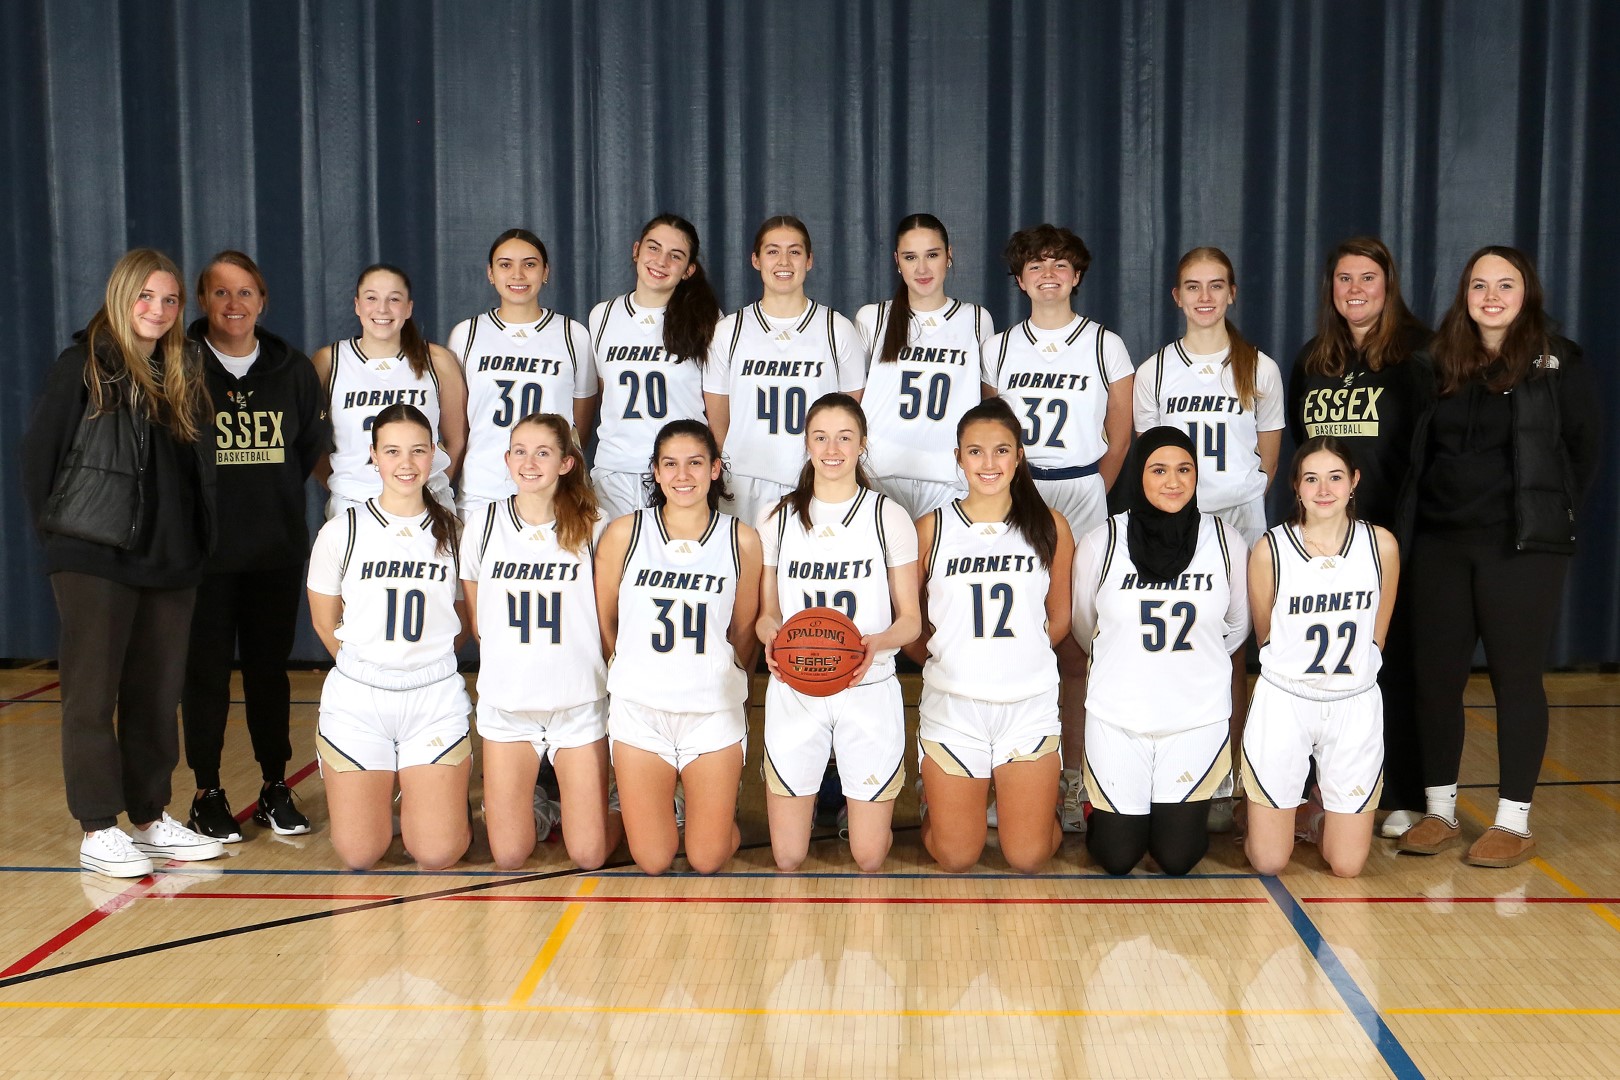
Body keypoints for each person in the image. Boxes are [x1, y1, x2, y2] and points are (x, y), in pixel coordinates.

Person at [22, 248, 226, 877]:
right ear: (120, 295)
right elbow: (39, 459)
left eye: (170, 300)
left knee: (156, 695)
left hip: (171, 557)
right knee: (91, 695)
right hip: (95, 555)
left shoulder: (183, 369)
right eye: (146, 296)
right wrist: (65, 541)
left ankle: (149, 816)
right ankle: (97, 827)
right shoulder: (83, 365)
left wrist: (197, 539)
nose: (158, 310)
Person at [1397, 246, 1600, 868]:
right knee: (1435, 680)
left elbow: (1583, 451)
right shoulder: (1434, 361)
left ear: (1526, 292)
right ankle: (1439, 811)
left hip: (1521, 548)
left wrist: (1549, 516)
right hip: (1439, 545)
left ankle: (1514, 820)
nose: (1491, 297)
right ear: (1465, 294)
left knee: (1516, 680)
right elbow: (1413, 454)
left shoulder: (1558, 362)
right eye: (1479, 285)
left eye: (1505, 285)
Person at [981, 224, 1134, 834]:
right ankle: (1002, 776)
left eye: (1060, 264)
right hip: (1018, 490)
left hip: (1081, 487)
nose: (1049, 274)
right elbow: (991, 430)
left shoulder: (1105, 344)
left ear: (1077, 275)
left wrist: (1091, 485)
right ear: (1020, 280)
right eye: (1036, 265)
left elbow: (1120, 434)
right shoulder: (999, 347)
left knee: (1077, 643)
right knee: (1012, 638)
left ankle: (1075, 778)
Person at [181, 251, 329, 842]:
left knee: (270, 673)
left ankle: (274, 786)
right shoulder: (179, 364)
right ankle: (207, 792)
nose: (233, 304)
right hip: (204, 555)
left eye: (245, 292)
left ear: (262, 301)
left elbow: (306, 448)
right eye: (221, 292)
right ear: (202, 301)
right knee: (206, 676)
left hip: (274, 550)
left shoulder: (291, 369)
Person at [1135, 246, 1284, 831]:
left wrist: (1237, 496)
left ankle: (1231, 775)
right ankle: (1173, 767)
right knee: (1179, 643)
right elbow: (1152, 456)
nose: (1205, 297)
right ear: (1177, 297)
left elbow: (1267, 457)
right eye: (1193, 287)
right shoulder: (1155, 370)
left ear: (1232, 293)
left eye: (1216, 285)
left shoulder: (1259, 368)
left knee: (1233, 648)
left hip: (1237, 516)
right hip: (1178, 516)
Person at [1287, 237, 1432, 838]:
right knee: (1318, 668)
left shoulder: (1419, 356)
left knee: (1391, 664)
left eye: (1367, 277)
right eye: (1344, 278)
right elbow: (1302, 447)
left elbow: (1429, 452)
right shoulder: (1312, 360)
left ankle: (1402, 793)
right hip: (1324, 542)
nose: (1355, 289)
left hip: (1392, 538)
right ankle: (1321, 792)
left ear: (1387, 284)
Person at [1071, 427, 1249, 876]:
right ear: (1139, 474)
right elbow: (1085, 626)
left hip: (1195, 717)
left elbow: (1236, 626)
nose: (1173, 481)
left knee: (1176, 858)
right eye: (1159, 470)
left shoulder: (1225, 541)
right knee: (1116, 857)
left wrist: (1189, 665)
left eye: (1184, 469)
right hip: (1118, 716)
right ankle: (1107, 808)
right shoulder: (1102, 541)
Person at [905, 397, 1072, 874]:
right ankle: (937, 799)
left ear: (1019, 456)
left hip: (1028, 705)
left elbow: (1059, 618)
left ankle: (1037, 800)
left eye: (1001, 450)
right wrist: (947, 658)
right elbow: (912, 623)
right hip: (954, 706)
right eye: (975, 451)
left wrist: (1017, 659)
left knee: (1028, 857)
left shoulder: (1050, 526)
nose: (988, 462)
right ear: (958, 457)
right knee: (957, 857)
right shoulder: (931, 529)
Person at [755, 394, 920, 873]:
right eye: (821, 437)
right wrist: (771, 638)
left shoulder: (887, 515)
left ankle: (861, 810)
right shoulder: (777, 517)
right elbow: (767, 614)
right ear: (806, 443)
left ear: (862, 443)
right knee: (788, 858)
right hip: (797, 685)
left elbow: (910, 620)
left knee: (868, 858)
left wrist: (877, 643)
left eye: (844, 438)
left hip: (866, 683)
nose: (832, 449)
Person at [306, 404, 471, 871]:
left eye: (418, 451)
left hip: (433, 697)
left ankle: (431, 800)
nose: (406, 463)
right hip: (359, 699)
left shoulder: (455, 532)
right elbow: (325, 622)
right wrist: (373, 667)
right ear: (373, 456)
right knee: (360, 853)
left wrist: (419, 663)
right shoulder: (342, 531)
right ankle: (395, 794)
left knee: (437, 854)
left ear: (434, 454)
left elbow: (462, 621)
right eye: (393, 451)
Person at [594, 420, 762, 875]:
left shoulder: (741, 540)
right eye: (670, 464)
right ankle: (650, 805)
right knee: (653, 860)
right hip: (640, 712)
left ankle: (709, 814)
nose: (682, 475)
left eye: (695, 463)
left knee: (707, 858)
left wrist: (721, 679)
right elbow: (607, 620)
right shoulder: (625, 534)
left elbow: (742, 631)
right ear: (655, 470)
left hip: (711, 713)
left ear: (715, 469)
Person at [462, 413, 620, 871]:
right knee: (510, 855)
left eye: (543, 453)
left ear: (566, 463)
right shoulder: (484, 522)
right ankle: (542, 807)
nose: (529, 463)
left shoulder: (595, 525)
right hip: (509, 705)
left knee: (589, 854)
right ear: (506, 458)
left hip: (578, 703)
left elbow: (608, 618)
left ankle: (622, 802)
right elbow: (479, 621)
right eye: (520, 452)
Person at [1243, 438, 1399, 878]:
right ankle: (1265, 816)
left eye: (1335, 477)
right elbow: (1265, 636)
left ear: (1354, 481)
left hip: (1352, 703)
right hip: (1286, 701)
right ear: (1296, 486)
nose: (1324, 489)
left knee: (1347, 866)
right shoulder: (1271, 549)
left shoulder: (1381, 546)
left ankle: (1314, 813)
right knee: (1270, 862)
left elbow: (1377, 637)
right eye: (1311, 479)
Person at [703, 215, 867, 527]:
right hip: (743, 481)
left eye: (794, 251)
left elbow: (849, 414)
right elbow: (718, 418)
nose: (784, 262)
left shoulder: (837, 329)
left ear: (809, 260)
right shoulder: (729, 331)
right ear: (756, 260)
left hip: (813, 478)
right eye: (772, 251)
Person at [855, 213, 996, 518]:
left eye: (932, 255)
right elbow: (850, 400)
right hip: (880, 474)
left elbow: (990, 405)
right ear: (897, 261)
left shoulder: (976, 319)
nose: (922, 268)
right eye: (910, 257)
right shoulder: (872, 318)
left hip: (950, 479)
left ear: (949, 255)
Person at [450, 229, 598, 519]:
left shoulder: (573, 334)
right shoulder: (466, 334)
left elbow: (578, 425)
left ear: (546, 272)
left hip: (551, 492)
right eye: (505, 264)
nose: (517, 274)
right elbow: (459, 425)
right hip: (482, 489)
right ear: (490, 273)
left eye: (529, 264)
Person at [588, 214, 722, 521]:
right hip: (615, 471)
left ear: (688, 270)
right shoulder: (603, 316)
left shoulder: (709, 321)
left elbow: (718, 409)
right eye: (653, 248)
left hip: (680, 473)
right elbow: (606, 395)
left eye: (675, 256)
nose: (661, 261)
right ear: (636, 250)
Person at [313, 265, 467, 518]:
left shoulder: (437, 360)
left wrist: (429, 486)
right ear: (357, 305)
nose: (382, 309)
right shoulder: (330, 361)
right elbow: (306, 440)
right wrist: (340, 482)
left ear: (408, 308)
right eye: (371, 298)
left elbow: (457, 438)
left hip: (426, 505)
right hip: (354, 505)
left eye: (394, 299)